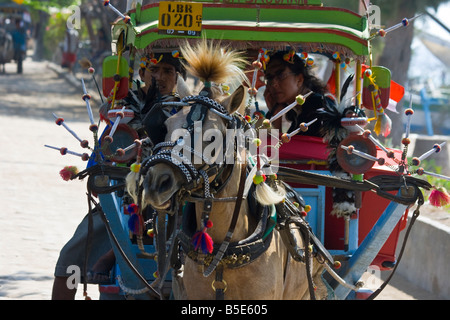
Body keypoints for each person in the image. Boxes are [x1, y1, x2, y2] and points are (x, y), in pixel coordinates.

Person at [51, 50, 185, 300]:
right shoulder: (120, 110)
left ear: (177, 77)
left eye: (168, 71)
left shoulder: (186, 113)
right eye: (154, 70)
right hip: (120, 200)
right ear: (142, 73)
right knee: (68, 261)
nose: (161, 77)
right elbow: (102, 155)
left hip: (173, 206)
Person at [263, 50, 332, 137]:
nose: (274, 84)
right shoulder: (300, 111)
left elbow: (288, 148)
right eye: (269, 78)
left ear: (299, 79)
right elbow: (269, 149)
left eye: (280, 75)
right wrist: (276, 115)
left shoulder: (319, 107)